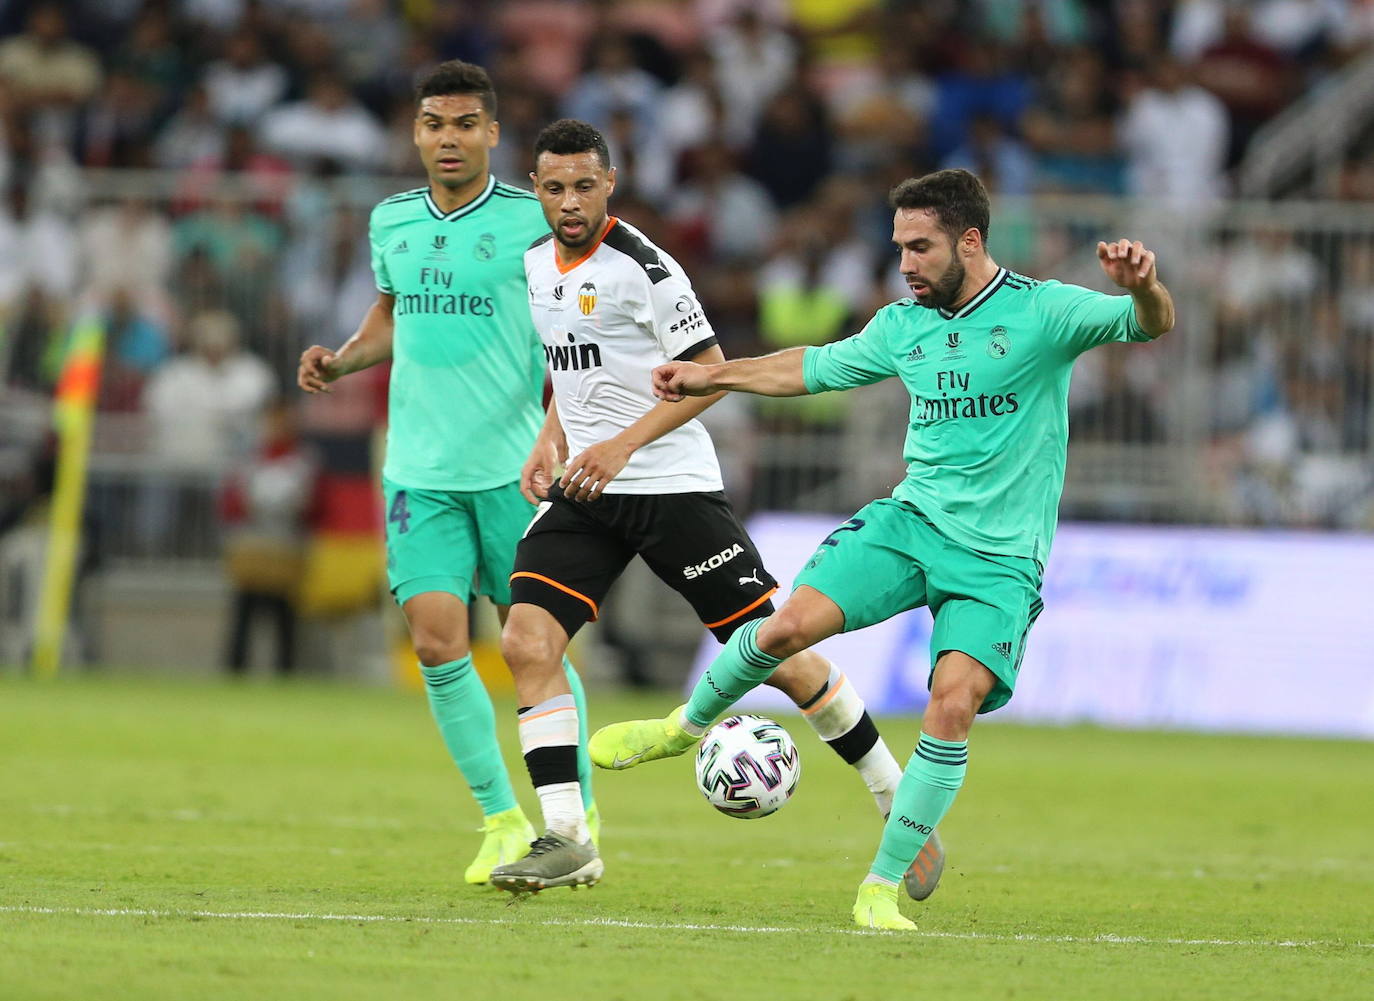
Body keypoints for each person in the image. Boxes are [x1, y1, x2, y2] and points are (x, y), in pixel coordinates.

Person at [590, 168, 1175, 929]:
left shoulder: (1044, 312)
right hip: (909, 526)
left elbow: (1151, 325)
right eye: (899, 246)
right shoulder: (904, 326)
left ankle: (879, 889)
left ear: (970, 240)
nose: (905, 263)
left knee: (952, 702)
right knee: (784, 627)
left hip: (999, 560)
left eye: (920, 247)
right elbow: (812, 367)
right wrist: (712, 374)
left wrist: (1143, 287)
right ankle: (682, 729)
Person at [486, 120, 932, 895]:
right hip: (587, 490)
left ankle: (894, 795)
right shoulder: (534, 263)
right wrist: (549, 438)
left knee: (781, 660)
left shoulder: (645, 267)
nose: (567, 202)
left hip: (671, 489)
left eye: (583, 186)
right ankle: (565, 835)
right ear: (536, 188)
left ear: (610, 183)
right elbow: (573, 365)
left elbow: (711, 371)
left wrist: (621, 445)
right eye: (552, 188)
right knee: (527, 642)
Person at [295, 62, 596, 886]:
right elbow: (392, 314)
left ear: (493, 134)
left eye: (465, 124)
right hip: (417, 469)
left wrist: (554, 431)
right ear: (417, 133)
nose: (448, 138)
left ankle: (574, 817)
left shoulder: (535, 223)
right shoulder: (391, 220)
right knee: (435, 640)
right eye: (434, 123)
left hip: (513, 472)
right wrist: (344, 359)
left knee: (533, 641)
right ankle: (502, 819)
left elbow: (577, 335)